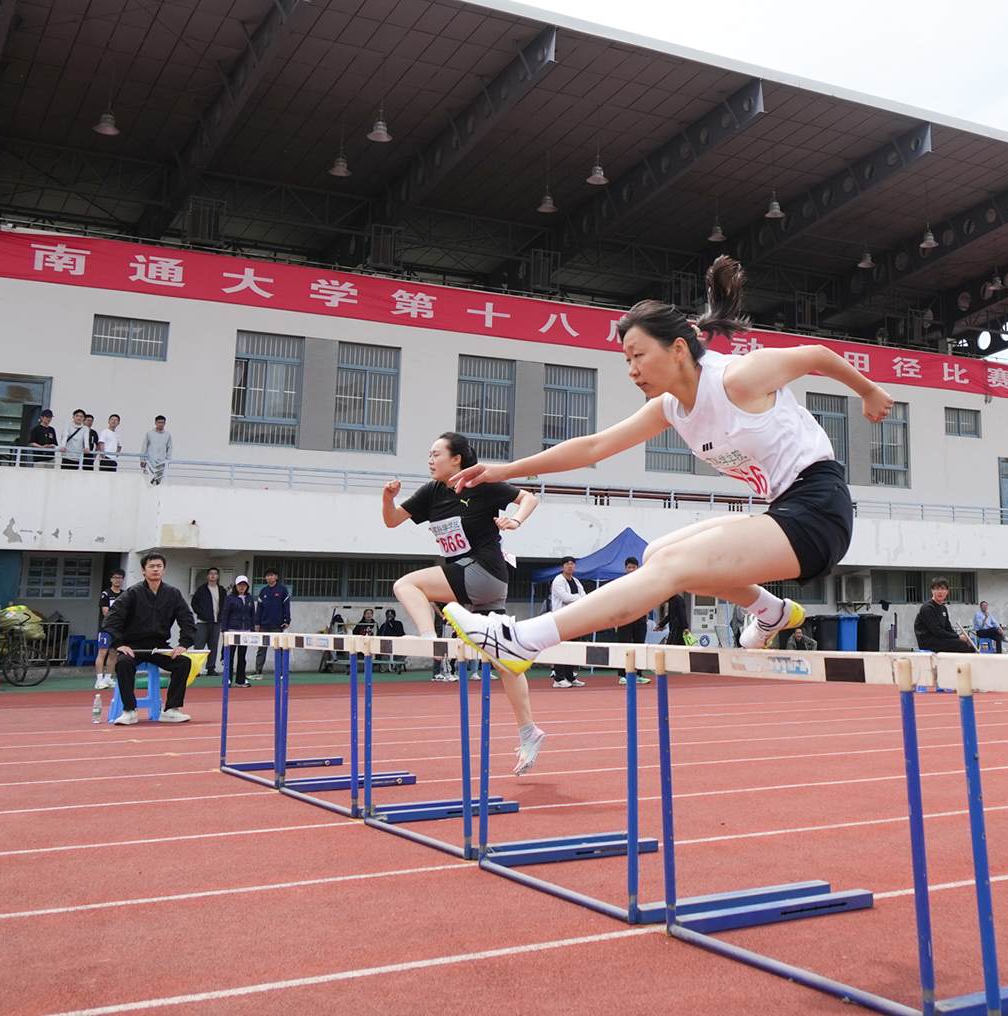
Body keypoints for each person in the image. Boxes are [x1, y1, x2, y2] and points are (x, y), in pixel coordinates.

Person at [439, 255, 894, 713]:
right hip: (784, 508)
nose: (632, 369)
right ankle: (771, 611)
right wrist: (503, 471)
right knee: (656, 554)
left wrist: (869, 391)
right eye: (626, 360)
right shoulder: (671, 408)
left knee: (672, 565)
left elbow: (815, 355)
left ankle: (523, 639)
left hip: (819, 507)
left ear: (678, 348)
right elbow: (594, 446)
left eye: (639, 355)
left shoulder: (737, 379)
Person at [381, 432, 544, 752]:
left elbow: (529, 497)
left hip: (482, 570)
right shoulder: (431, 491)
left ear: (456, 459)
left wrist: (515, 521)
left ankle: (430, 639)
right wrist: (388, 499)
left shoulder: (479, 483)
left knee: (406, 585)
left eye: (436, 454)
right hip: (476, 581)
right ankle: (529, 731)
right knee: (504, 659)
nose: (430, 460)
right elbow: (393, 520)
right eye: (429, 455)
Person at [100, 552, 198, 725]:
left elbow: (187, 619)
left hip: (159, 647)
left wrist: (184, 643)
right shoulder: (132, 593)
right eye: (151, 566)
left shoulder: (173, 593)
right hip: (134, 646)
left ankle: (171, 709)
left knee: (183, 662)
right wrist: (119, 643)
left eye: (159, 566)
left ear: (164, 570)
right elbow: (111, 619)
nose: (155, 569)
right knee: (123, 663)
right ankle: (129, 710)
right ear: (143, 570)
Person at [547, 556, 587, 688]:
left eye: (572, 564)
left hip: (574, 617)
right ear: (562, 567)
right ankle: (559, 679)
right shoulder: (558, 581)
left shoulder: (576, 581)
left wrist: (577, 599)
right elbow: (565, 597)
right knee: (562, 647)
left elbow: (584, 596)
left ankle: (570, 677)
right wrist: (578, 598)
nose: (570, 566)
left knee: (572, 647)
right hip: (561, 618)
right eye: (567, 564)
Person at [615, 557, 652, 685]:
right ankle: (622, 675)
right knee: (624, 646)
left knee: (639, 646)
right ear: (626, 569)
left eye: (633, 567)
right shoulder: (621, 583)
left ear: (638, 567)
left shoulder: (643, 582)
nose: (631, 569)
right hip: (625, 620)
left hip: (640, 619)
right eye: (629, 567)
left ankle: (638, 674)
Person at [914, 576, 975, 652]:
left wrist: (961, 637)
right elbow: (937, 631)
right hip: (928, 641)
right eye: (937, 589)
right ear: (932, 591)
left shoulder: (943, 608)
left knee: (971, 645)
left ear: (947, 592)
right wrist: (957, 637)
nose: (940, 592)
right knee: (962, 645)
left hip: (939, 638)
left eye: (943, 589)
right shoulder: (927, 608)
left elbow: (948, 628)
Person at [253, 568, 291, 676]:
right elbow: (259, 608)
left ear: (276, 577)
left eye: (272, 575)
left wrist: (287, 620)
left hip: (277, 624)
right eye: (267, 575)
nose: (269, 577)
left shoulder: (282, 590)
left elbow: (286, 606)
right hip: (264, 625)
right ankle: (258, 670)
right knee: (261, 648)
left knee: (279, 648)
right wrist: (257, 622)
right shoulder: (263, 591)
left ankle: (281, 670)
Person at [93, 569, 127, 689]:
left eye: (120, 578)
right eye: (115, 577)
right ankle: (99, 679)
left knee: (114, 653)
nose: (117, 580)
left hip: (118, 630)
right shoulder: (106, 594)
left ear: (123, 580)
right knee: (102, 652)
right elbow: (105, 612)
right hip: (106, 628)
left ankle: (108, 677)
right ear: (111, 579)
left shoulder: (125, 594)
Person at [220, 575, 256, 687]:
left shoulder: (250, 598)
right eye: (240, 585)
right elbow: (225, 614)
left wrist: (252, 628)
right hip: (232, 630)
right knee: (229, 656)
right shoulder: (230, 598)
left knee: (242, 656)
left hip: (245, 631)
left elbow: (252, 614)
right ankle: (227, 679)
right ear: (236, 586)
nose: (242, 587)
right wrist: (224, 629)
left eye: (244, 585)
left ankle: (241, 680)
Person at [191, 567, 226, 677]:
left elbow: (225, 605)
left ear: (218, 576)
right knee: (199, 646)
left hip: (216, 622)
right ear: (207, 576)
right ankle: (196, 669)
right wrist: (202, 614)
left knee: (213, 646)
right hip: (202, 622)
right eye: (211, 573)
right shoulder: (201, 589)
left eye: (215, 573)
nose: (213, 575)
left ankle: (211, 668)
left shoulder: (221, 590)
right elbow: (194, 603)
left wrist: (221, 617)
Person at [141, 415, 172, 484]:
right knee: (147, 479)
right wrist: (142, 459)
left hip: (161, 461)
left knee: (158, 480)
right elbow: (145, 446)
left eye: (162, 423)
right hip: (150, 461)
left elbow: (169, 448)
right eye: (159, 422)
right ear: (155, 423)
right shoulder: (149, 433)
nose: (161, 424)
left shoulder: (167, 435)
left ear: (165, 423)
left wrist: (168, 461)